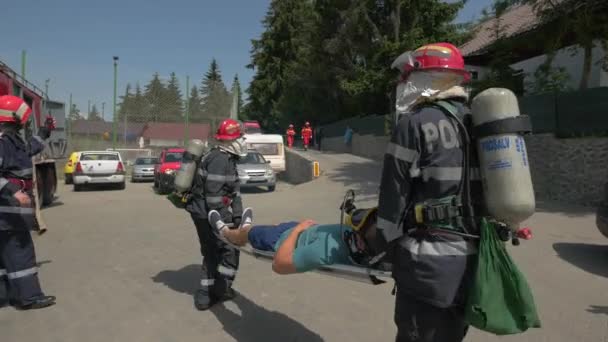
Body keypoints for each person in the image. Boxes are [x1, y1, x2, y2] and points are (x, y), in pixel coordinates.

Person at [376, 43, 483, 342]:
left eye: (408, 78)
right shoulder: (477, 122)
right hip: (472, 265)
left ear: (425, 78)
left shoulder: (414, 124)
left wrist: (385, 253)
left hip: (426, 269)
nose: (403, 85)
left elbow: (392, 198)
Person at [0, 95, 56, 310]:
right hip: (9, 213)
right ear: (14, 117)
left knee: (5, 258)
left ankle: (5, 296)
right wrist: (14, 191)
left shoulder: (11, 140)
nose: (25, 121)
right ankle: (29, 298)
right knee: (21, 254)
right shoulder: (3, 142)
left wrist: (44, 133)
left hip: (7, 214)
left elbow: (27, 151)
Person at [185, 118, 246, 311]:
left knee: (215, 252)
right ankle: (214, 292)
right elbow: (213, 199)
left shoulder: (228, 158)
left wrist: (238, 217)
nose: (243, 141)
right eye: (240, 137)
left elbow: (234, 192)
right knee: (225, 251)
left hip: (205, 212)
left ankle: (213, 292)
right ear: (230, 141)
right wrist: (228, 227)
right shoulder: (219, 160)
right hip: (207, 214)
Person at [207, 207, 380, 274]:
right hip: (303, 230)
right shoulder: (362, 243)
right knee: (275, 224)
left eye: (359, 227)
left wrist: (297, 230)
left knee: (248, 234)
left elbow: (279, 265)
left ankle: (228, 232)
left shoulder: (322, 253)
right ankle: (245, 228)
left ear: (361, 241)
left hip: (278, 239)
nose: (353, 226)